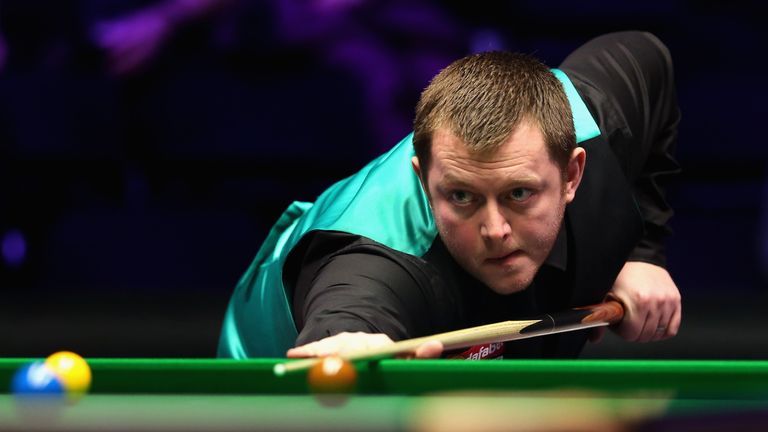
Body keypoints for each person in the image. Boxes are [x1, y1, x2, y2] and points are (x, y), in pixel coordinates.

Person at [218, 31, 682, 360]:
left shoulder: (602, 121)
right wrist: (348, 341)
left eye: (519, 193)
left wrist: (643, 254)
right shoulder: (378, 262)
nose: (495, 231)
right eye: (462, 196)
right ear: (424, 180)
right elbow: (350, 312)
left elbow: (650, 58)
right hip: (282, 394)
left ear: (572, 173)